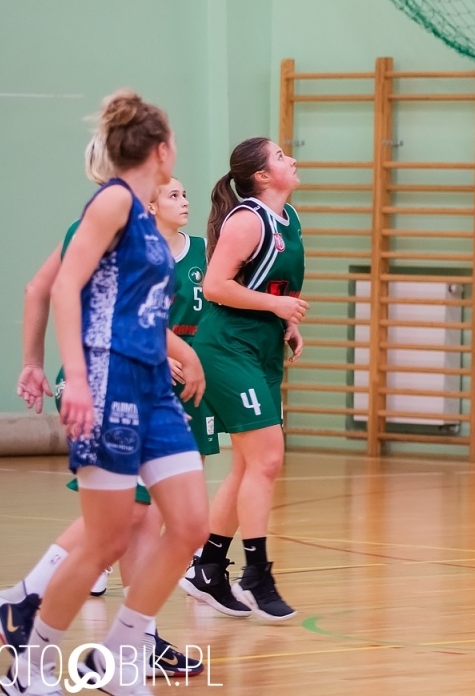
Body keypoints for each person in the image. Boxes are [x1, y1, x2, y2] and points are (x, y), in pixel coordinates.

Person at [0, 93, 211, 696]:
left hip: (153, 386)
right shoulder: (114, 200)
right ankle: (31, 663)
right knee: (106, 540)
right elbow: (61, 288)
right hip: (111, 379)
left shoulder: (145, 214)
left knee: (191, 523)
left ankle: (122, 652)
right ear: (161, 149)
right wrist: (77, 379)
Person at [180, 137, 306, 621]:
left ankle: (208, 566)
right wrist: (275, 306)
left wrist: (286, 320)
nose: (291, 160)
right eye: (280, 156)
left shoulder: (289, 219)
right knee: (268, 459)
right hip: (227, 346)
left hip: (262, 345)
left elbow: (273, 284)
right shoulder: (247, 219)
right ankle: (256, 574)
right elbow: (215, 286)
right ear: (261, 176)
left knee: (248, 465)